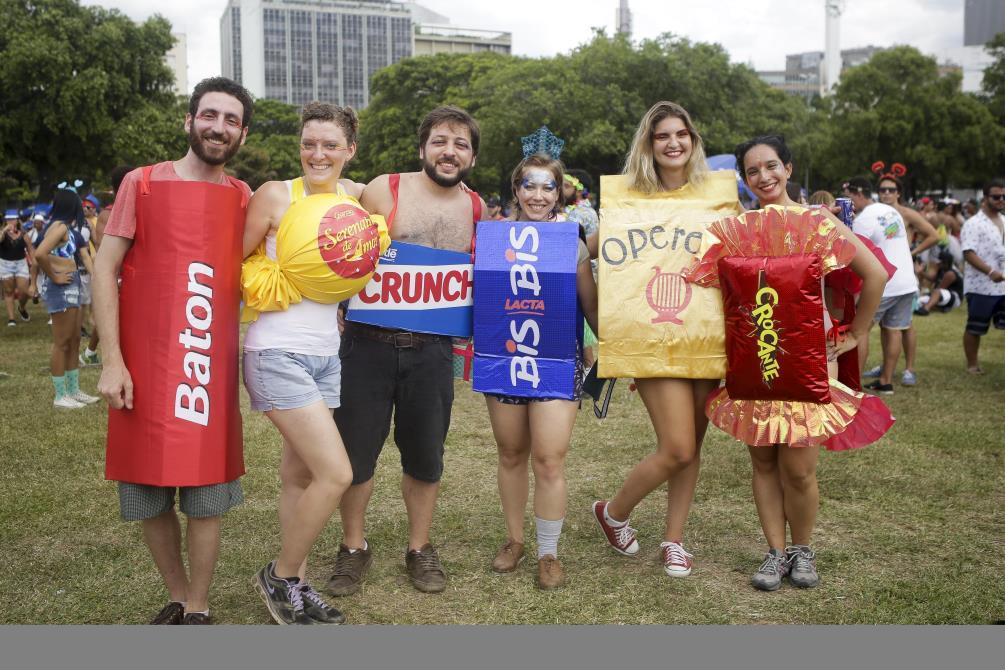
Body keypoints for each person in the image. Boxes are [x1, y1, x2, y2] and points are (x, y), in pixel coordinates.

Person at [94, 77, 253, 625]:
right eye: (209, 115)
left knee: (207, 493)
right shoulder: (140, 184)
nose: (218, 127)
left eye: (231, 120)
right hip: (143, 364)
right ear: (189, 121)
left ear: (242, 133)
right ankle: (178, 595)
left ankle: (200, 607)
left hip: (204, 368)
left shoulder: (242, 198)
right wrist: (112, 359)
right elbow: (104, 267)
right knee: (147, 493)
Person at [706, 135, 887, 591]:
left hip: (808, 361)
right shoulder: (735, 228)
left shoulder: (817, 221)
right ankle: (775, 552)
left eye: (771, 166)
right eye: (753, 171)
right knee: (763, 462)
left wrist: (856, 334)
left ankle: (803, 550)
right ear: (744, 180)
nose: (763, 177)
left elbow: (875, 274)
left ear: (788, 168)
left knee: (799, 468)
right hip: (754, 359)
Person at [329, 106, 485, 596]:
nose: (449, 151)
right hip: (367, 345)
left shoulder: (476, 209)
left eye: (460, 144)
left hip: (433, 351)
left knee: (425, 455)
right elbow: (340, 247)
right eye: (440, 141)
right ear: (423, 148)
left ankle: (420, 547)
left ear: (472, 157)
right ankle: (353, 547)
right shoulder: (383, 189)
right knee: (355, 455)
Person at [592, 101, 741, 579]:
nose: (674, 143)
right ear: (649, 145)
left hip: (708, 332)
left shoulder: (719, 197)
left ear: (693, 141)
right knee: (676, 447)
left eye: (682, 134)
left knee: (693, 447)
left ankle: (674, 540)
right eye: (662, 136)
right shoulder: (628, 200)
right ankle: (613, 512)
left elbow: (751, 248)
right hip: (650, 335)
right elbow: (588, 247)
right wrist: (550, 238)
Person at [242, 102, 366, 625]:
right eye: (309, 143)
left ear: (349, 151)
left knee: (299, 476)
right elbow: (234, 265)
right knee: (336, 472)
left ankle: (298, 583)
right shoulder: (275, 194)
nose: (318, 153)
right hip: (276, 350)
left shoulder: (357, 198)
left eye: (330, 145)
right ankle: (280, 575)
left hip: (326, 356)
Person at [486, 153, 599, 590]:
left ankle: (548, 552)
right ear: (516, 189)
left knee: (549, 458)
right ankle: (514, 540)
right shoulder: (493, 238)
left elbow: (589, 305)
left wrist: (606, 344)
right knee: (511, 452)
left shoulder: (570, 241)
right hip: (506, 357)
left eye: (547, 186)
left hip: (555, 360)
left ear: (559, 193)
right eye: (529, 185)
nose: (537, 194)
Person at [865, 170, 938, 387]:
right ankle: (886, 370)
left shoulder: (905, 213)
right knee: (889, 327)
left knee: (904, 326)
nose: (887, 193)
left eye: (891, 190)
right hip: (882, 275)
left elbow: (933, 235)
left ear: (899, 193)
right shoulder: (874, 214)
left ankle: (909, 369)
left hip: (901, 276)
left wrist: (911, 252)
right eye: (882, 190)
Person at [844, 177, 916, 396]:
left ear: (857, 193)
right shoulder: (888, 210)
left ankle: (853, 385)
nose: (846, 201)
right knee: (893, 330)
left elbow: (855, 253)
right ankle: (886, 381)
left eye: (847, 195)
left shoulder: (864, 219)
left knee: (861, 329)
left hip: (886, 283)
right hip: (906, 281)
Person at [33, 189, 98, 408]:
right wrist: (55, 276)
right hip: (61, 288)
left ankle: (74, 390)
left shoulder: (68, 229)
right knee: (61, 343)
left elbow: (83, 256)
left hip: (73, 285)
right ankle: (60, 396)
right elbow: (39, 253)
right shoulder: (59, 226)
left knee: (74, 340)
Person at [959, 178, 1005, 374]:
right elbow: (968, 253)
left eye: (1004, 196)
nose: (1001, 200)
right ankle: (972, 364)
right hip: (981, 286)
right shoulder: (973, 223)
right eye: (996, 196)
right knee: (975, 327)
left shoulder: (1003, 220)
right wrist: (990, 272)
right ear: (985, 198)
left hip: (1002, 285)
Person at [2, 212, 34, 326]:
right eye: (8, 219)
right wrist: (5, 230)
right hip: (5, 264)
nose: (10, 222)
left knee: (24, 291)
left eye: (13, 219)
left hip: (21, 263)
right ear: (5, 221)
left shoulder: (24, 234)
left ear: (17, 220)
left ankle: (21, 307)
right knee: (8, 291)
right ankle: (11, 319)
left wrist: (34, 262)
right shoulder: (2, 233)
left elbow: (30, 249)